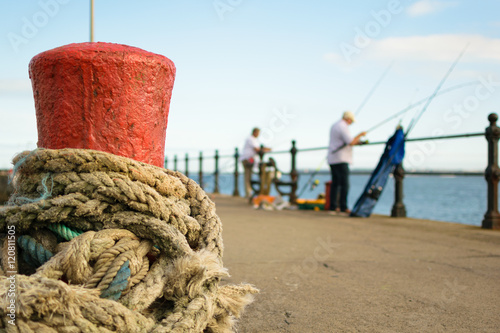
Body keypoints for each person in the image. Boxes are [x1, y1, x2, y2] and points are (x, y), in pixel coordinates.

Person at [328, 111, 366, 214]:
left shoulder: (335, 125)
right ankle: (343, 207)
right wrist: (360, 135)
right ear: (348, 119)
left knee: (335, 183)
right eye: (351, 121)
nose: (351, 123)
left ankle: (333, 207)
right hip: (341, 158)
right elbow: (351, 142)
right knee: (345, 184)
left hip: (333, 158)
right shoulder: (342, 126)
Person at [240, 128, 271, 199]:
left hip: (249, 159)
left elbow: (258, 148)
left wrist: (265, 149)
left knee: (249, 176)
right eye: (258, 133)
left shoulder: (253, 140)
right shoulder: (251, 139)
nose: (258, 135)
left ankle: (249, 193)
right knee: (248, 176)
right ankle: (248, 193)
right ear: (254, 132)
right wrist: (267, 149)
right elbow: (257, 149)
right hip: (247, 159)